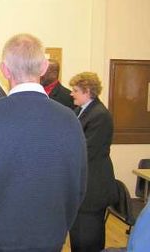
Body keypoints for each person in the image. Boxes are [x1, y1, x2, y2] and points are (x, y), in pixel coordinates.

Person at [0, 33, 87, 252]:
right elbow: (78, 187)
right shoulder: (70, 120)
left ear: (4, 70)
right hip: (49, 240)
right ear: (44, 67)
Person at [69, 71, 118, 252]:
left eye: (75, 90)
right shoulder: (81, 110)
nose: (71, 93)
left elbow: (86, 150)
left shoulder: (100, 115)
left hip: (94, 187)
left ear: (87, 91)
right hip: (84, 185)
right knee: (79, 235)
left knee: (88, 238)